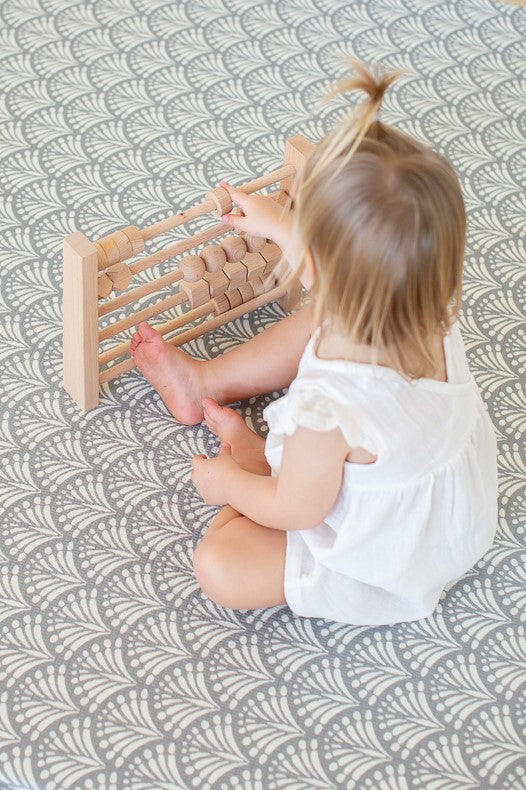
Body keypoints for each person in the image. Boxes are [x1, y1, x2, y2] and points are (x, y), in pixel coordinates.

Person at [129, 61, 498, 625]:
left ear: (318, 263)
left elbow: (298, 511)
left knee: (220, 566)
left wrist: (227, 480)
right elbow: (347, 272)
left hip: (385, 554)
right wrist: (281, 225)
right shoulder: (426, 313)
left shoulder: (324, 410)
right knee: (318, 324)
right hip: (452, 519)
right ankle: (202, 383)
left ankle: (255, 458)